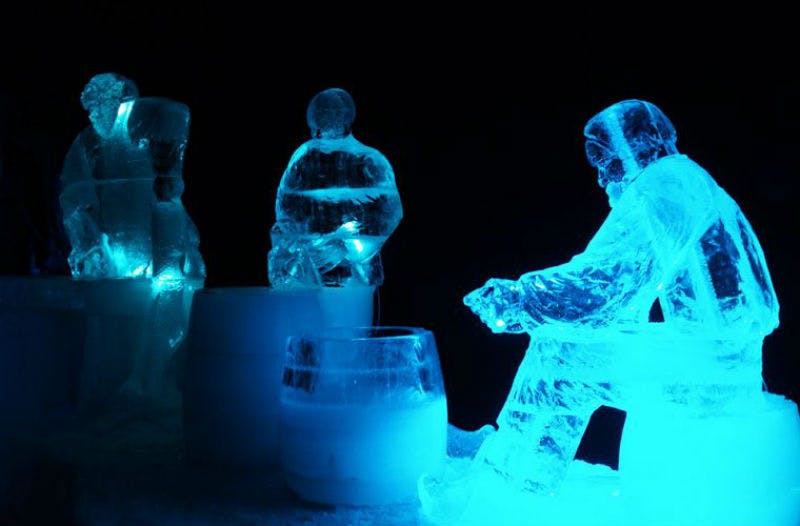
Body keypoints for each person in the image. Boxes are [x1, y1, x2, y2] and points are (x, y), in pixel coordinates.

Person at [464, 99, 779, 493]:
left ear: (637, 147)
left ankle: (512, 477)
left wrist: (521, 299)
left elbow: (607, 283)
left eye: (606, 161)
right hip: (727, 357)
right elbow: (626, 296)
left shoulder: (664, 188)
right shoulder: (691, 179)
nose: (601, 179)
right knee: (570, 344)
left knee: (559, 352)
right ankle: (516, 455)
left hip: (712, 372)